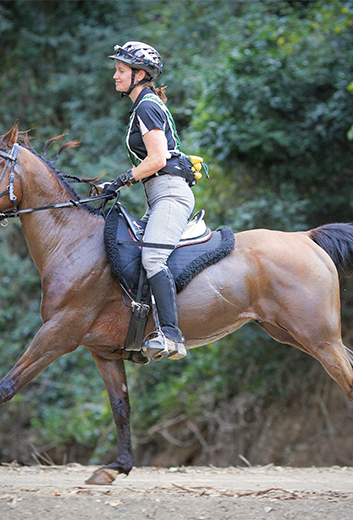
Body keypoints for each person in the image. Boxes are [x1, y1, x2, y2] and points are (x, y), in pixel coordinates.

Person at [102, 41, 195, 360]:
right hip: (159, 196)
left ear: (139, 74)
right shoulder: (144, 104)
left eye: (121, 70)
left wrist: (122, 180)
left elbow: (155, 159)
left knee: (153, 259)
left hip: (170, 194)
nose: (115, 75)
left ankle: (171, 335)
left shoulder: (146, 106)